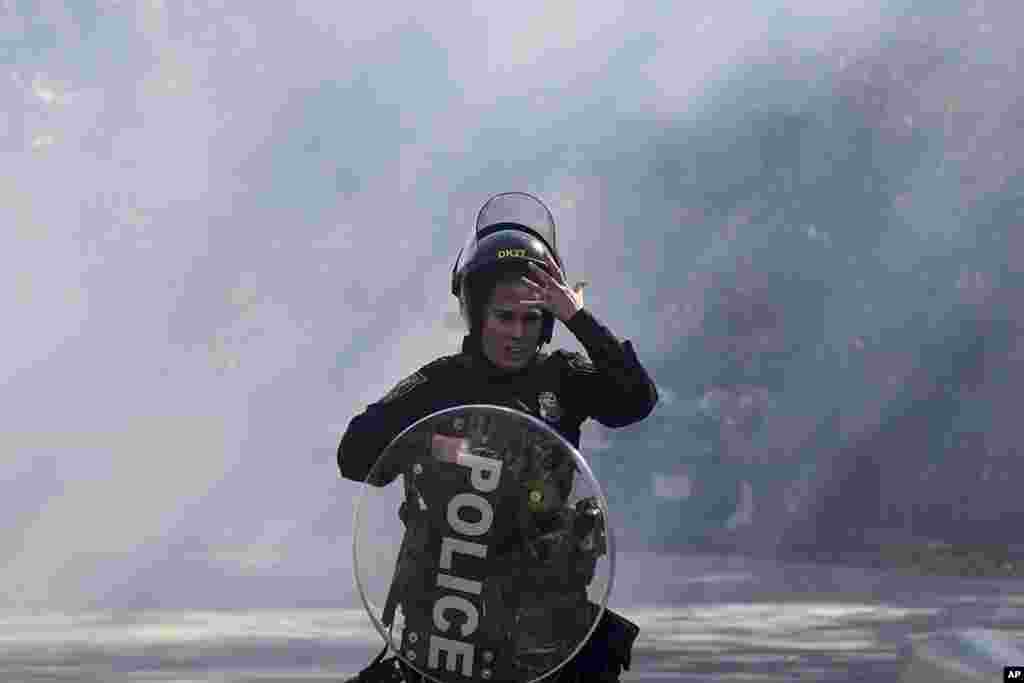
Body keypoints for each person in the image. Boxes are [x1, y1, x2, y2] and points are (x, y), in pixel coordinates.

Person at [338, 192, 658, 682]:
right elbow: (354, 453)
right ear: (477, 314)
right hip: (452, 620)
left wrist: (578, 317)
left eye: (532, 319)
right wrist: (427, 445)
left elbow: (636, 400)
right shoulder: (440, 384)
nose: (518, 332)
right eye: (504, 316)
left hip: (546, 623)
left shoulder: (563, 377)